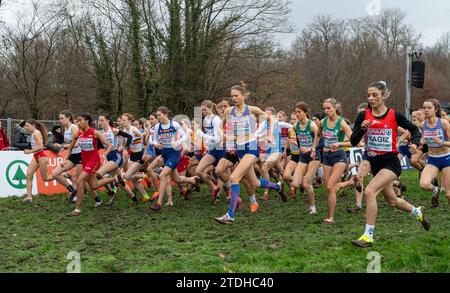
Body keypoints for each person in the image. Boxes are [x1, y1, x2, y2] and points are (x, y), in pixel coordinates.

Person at [350, 81, 431, 248]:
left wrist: (415, 143)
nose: (371, 98)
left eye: (375, 95)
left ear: (383, 95)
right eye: (369, 95)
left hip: (391, 163)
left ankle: (368, 236)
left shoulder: (394, 114)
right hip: (375, 164)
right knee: (393, 201)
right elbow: (353, 140)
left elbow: (414, 130)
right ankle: (418, 212)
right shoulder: (363, 116)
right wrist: (362, 129)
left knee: (370, 191)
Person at [215, 83, 286, 225]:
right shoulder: (229, 111)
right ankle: (277, 186)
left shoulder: (252, 110)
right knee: (255, 182)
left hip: (251, 148)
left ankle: (230, 215)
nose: (234, 98)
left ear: (243, 96)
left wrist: (270, 134)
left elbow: (271, 119)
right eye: (232, 96)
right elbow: (220, 125)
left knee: (234, 177)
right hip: (239, 149)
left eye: (236, 96)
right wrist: (224, 135)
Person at [149, 106, 200, 211]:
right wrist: (157, 144)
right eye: (157, 115)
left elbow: (185, 136)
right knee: (177, 179)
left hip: (174, 153)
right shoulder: (158, 127)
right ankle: (193, 181)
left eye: (159, 115)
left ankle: (158, 203)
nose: (158, 117)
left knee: (163, 175)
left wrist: (177, 143)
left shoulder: (174, 125)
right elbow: (153, 140)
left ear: (166, 114)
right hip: (165, 153)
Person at [66, 114, 117, 217]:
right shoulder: (78, 133)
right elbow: (70, 148)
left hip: (94, 161)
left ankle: (77, 209)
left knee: (80, 181)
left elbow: (110, 145)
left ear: (87, 121)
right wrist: (65, 159)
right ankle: (114, 179)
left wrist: (104, 155)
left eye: (80, 121)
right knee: (94, 186)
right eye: (77, 121)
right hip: (85, 161)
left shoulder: (95, 132)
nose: (78, 123)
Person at [311, 98, 353, 224]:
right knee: (328, 188)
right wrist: (313, 148)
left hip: (339, 156)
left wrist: (340, 143)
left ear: (335, 108)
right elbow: (318, 135)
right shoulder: (322, 122)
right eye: (324, 108)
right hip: (326, 156)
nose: (326, 111)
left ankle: (331, 217)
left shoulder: (342, 123)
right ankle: (350, 182)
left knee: (330, 186)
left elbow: (355, 141)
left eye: (328, 108)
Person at [419, 99, 450, 207]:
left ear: (435, 109)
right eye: (424, 108)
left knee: (448, 194)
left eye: (429, 108)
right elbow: (424, 136)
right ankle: (435, 189)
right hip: (432, 159)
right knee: (424, 184)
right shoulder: (422, 124)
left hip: (446, 158)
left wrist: (442, 142)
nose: (426, 110)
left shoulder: (444, 123)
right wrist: (420, 144)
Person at [23, 120, 52, 203]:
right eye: (25, 126)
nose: (26, 127)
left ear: (33, 126)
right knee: (29, 175)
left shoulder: (36, 133)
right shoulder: (32, 133)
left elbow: (40, 147)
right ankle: (29, 197)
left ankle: (61, 174)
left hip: (41, 156)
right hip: (36, 156)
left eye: (27, 126)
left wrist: (29, 151)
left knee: (45, 178)